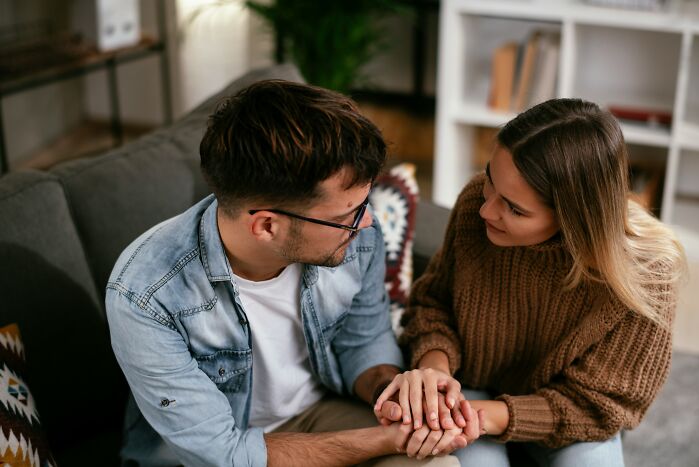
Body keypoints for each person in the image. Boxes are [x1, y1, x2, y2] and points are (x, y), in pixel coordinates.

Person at [105, 79, 481, 467]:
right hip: (214, 453)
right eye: (344, 216)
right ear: (267, 226)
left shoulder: (355, 238)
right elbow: (222, 453)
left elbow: (362, 342)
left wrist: (396, 392)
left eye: (362, 204)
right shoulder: (146, 296)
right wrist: (387, 439)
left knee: (438, 464)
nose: (366, 222)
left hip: (317, 416)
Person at [374, 98, 686, 466]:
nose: (486, 209)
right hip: (466, 391)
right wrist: (434, 371)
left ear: (573, 219)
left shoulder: (647, 273)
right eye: (490, 177)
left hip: (562, 417)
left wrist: (489, 416)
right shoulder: (477, 204)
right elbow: (434, 304)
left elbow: (603, 405)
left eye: (515, 208)